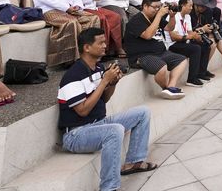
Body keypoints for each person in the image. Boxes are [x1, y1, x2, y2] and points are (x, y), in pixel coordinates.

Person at [58, 28, 157, 191]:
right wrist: (104, 81)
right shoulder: (72, 76)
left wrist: (112, 83)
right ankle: (109, 187)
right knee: (115, 130)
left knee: (143, 112)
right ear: (87, 47)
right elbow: (82, 111)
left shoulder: (97, 68)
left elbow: (104, 99)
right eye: (101, 43)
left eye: (105, 42)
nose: (105, 46)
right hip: (76, 134)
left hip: (98, 123)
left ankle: (134, 162)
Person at [123, 0, 187, 99]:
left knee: (182, 60)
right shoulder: (136, 20)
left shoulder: (155, 17)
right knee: (162, 68)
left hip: (160, 53)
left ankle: (171, 87)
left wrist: (172, 17)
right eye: (155, 7)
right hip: (142, 55)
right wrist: (159, 15)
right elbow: (148, 35)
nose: (157, 9)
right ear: (145, 6)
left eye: (159, 7)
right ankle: (166, 88)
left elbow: (169, 28)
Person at [165, 0, 211, 87]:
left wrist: (197, 36)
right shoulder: (174, 16)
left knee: (205, 45)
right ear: (182, 5)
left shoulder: (187, 17)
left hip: (183, 41)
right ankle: (191, 79)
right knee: (195, 49)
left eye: (192, 6)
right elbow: (174, 37)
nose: (191, 8)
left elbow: (190, 33)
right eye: (189, 6)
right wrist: (190, 36)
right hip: (173, 44)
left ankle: (201, 73)